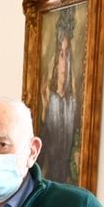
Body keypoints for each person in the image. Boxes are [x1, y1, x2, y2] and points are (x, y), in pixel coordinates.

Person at [36, 25, 78, 185]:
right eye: (61, 54)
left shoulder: (73, 103)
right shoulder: (48, 98)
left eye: (68, 55)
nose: (65, 61)